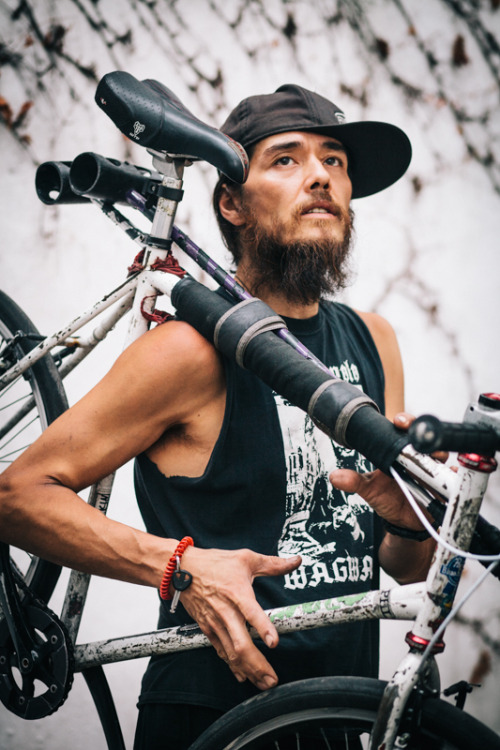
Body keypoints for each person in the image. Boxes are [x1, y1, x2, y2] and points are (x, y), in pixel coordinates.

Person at [0, 84, 436, 749]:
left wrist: (403, 518)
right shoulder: (186, 352)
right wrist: (181, 569)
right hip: (210, 721)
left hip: (347, 716)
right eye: (286, 159)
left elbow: (407, 565)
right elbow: (16, 496)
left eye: (335, 161)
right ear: (231, 202)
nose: (321, 174)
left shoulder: (374, 341)